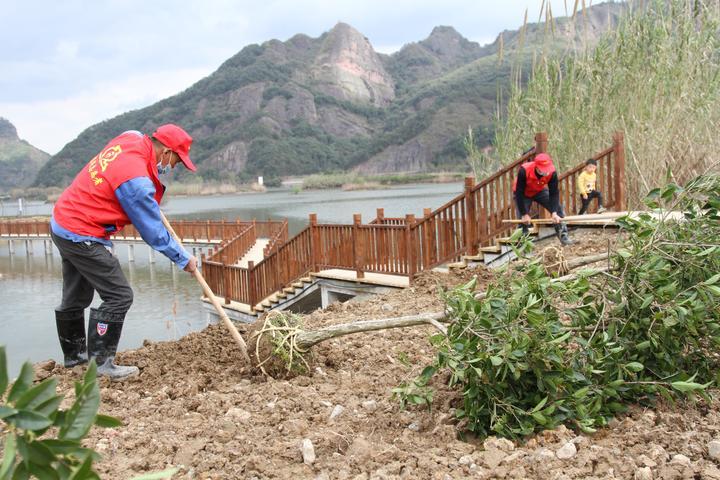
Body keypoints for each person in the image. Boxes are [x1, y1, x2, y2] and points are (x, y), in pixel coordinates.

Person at [50, 124, 199, 380]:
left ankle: (75, 359)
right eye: (175, 161)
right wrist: (183, 258)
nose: (173, 167)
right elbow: (152, 232)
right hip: (83, 233)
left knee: (76, 297)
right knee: (119, 296)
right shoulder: (136, 182)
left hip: (63, 222)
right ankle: (102, 367)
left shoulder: (131, 138)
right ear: (165, 152)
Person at [513, 152, 574, 246]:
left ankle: (563, 236)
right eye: (543, 169)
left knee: (558, 210)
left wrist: (554, 212)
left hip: (538, 190)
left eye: (547, 169)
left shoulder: (552, 172)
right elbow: (519, 193)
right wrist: (524, 214)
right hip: (523, 194)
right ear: (536, 166)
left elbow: (554, 193)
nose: (546, 172)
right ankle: (523, 245)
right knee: (523, 221)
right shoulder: (524, 170)